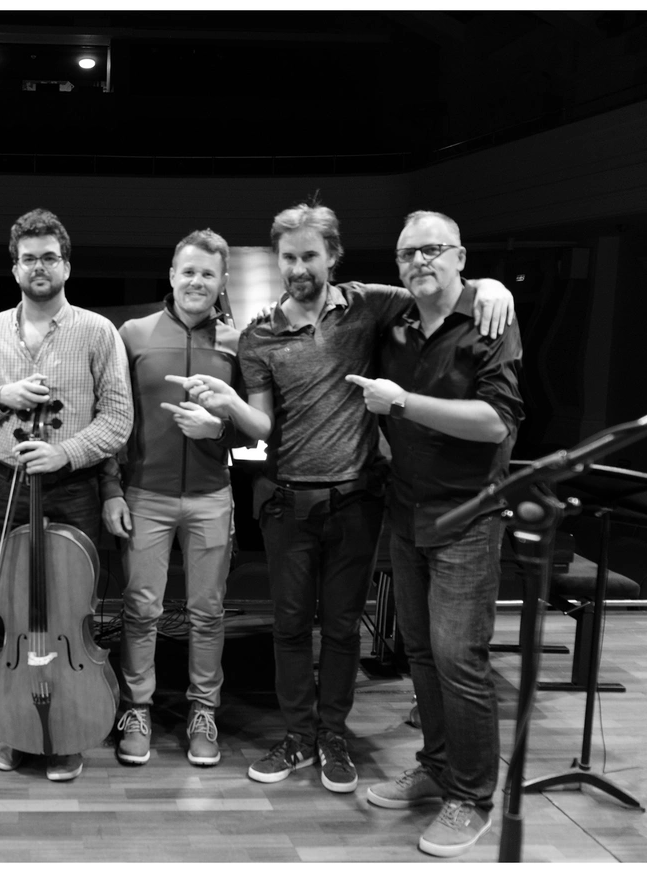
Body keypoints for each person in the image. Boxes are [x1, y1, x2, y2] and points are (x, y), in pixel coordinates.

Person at [184, 202, 513, 796]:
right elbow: (262, 426)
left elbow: (442, 289)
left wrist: (491, 286)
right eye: (288, 257)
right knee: (289, 627)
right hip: (286, 502)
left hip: (357, 500)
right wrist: (228, 406)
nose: (298, 268)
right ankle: (297, 736)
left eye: (310, 255)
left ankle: (332, 737)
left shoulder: (372, 305)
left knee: (341, 629)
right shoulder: (260, 334)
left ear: (332, 256)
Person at [348, 210, 523, 858]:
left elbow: (496, 422)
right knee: (420, 654)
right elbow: (336, 290)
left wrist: (401, 402)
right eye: (408, 253)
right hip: (407, 511)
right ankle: (438, 766)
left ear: (460, 257)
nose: (420, 261)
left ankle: (472, 797)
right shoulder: (395, 319)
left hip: (468, 518)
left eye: (433, 249)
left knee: (459, 660)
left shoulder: (489, 318)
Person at [0, 207, 133, 782]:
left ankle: (69, 728)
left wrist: (65, 453)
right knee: (11, 609)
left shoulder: (97, 331)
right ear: (15, 268)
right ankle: (14, 723)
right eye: (28, 258)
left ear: (66, 265)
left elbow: (118, 419)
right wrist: (3, 396)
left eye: (49, 257)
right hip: (6, 485)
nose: (39, 266)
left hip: (72, 486)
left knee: (67, 610)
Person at [102, 229, 250, 769]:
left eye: (208, 273)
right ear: (171, 274)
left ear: (222, 281)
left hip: (212, 496)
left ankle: (203, 711)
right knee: (141, 610)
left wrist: (219, 431)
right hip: (145, 495)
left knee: (208, 613)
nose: (196, 281)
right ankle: (136, 709)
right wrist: (111, 488)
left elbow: (257, 424)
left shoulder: (238, 342)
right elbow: (110, 417)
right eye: (188, 271)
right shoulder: (133, 334)